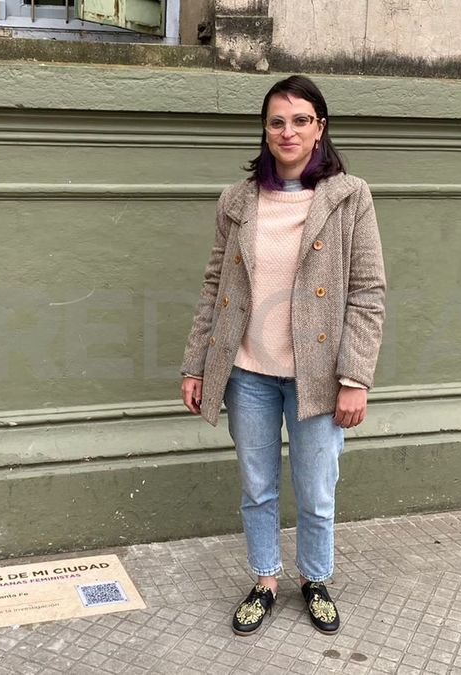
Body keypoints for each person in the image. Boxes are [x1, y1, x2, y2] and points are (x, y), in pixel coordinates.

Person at [179, 75, 386, 636]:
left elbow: (367, 293)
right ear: (265, 132)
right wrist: (196, 363)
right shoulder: (238, 201)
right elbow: (214, 287)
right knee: (257, 484)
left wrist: (355, 378)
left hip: (318, 377)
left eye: (300, 120)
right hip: (248, 371)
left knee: (318, 488)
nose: (287, 131)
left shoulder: (349, 197)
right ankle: (265, 578)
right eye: (277, 121)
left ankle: (314, 578)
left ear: (320, 128)